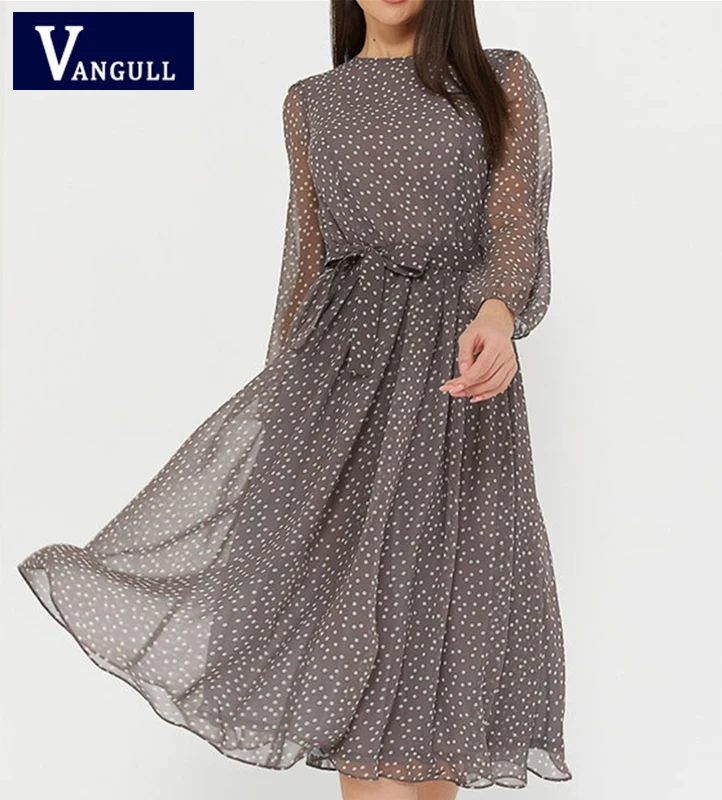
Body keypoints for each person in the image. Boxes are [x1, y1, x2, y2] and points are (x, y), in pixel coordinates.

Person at [17, 1, 572, 798]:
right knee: (363, 682)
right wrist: (279, 446)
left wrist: (498, 314)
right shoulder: (312, 103)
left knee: (435, 675)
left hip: (454, 399)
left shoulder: (500, 79)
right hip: (340, 402)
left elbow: (516, 228)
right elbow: (304, 267)